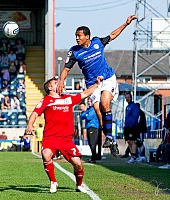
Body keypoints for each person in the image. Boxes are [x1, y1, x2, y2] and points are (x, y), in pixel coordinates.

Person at [57, 15, 137, 156]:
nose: (77, 38)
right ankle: (110, 140)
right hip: (93, 84)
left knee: (105, 104)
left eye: (79, 36)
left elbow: (112, 35)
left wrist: (126, 23)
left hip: (107, 78)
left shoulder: (97, 42)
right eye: (76, 36)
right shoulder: (74, 51)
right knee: (98, 111)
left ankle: (110, 137)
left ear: (87, 36)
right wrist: (61, 81)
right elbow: (65, 69)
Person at [27, 76, 102, 193]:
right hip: (50, 137)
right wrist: (30, 125)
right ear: (50, 87)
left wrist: (97, 84)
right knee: (46, 154)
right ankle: (53, 182)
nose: (60, 84)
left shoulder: (68, 98)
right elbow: (35, 113)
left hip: (65, 139)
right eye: (56, 83)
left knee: (77, 163)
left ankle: (79, 185)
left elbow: (84, 94)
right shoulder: (46, 100)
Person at [80, 98, 101, 163]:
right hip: (89, 127)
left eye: (90, 101)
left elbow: (89, 117)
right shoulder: (89, 109)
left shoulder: (93, 109)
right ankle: (94, 156)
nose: (89, 102)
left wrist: (86, 114)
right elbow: (82, 116)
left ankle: (94, 158)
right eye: (88, 101)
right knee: (90, 143)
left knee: (92, 143)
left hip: (93, 127)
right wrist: (86, 114)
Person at [123, 92, 140, 164]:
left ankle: (134, 156)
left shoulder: (134, 106)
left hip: (132, 127)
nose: (127, 99)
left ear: (131, 97)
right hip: (127, 127)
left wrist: (131, 125)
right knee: (129, 141)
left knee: (132, 141)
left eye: (128, 97)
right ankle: (133, 155)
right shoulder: (127, 107)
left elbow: (135, 116)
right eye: (126, 97)